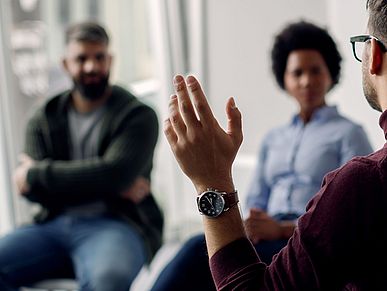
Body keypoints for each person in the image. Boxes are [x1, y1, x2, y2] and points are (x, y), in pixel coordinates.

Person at [165, 0, 387, 288]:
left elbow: (344, 223)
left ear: (374, 57)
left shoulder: (353, 149)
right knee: (196, 250)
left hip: (298, 238)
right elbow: (256, 201)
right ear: (285, 79)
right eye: (297, 73)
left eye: (315, 71)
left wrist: (211, 181)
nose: (307, 81)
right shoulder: (274, 139)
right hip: (273, 239)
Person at [0, 22, 163, 291]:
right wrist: (108, 181)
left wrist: (37, 174)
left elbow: (115, 174)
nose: (91, 66)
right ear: (65, 64)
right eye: (81, 58)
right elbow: (32, 193)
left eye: (99, 57)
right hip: (51, 225)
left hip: (116, 224)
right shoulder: (42, 118)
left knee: (108, 281)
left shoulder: (139, 115)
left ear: (110, 60)